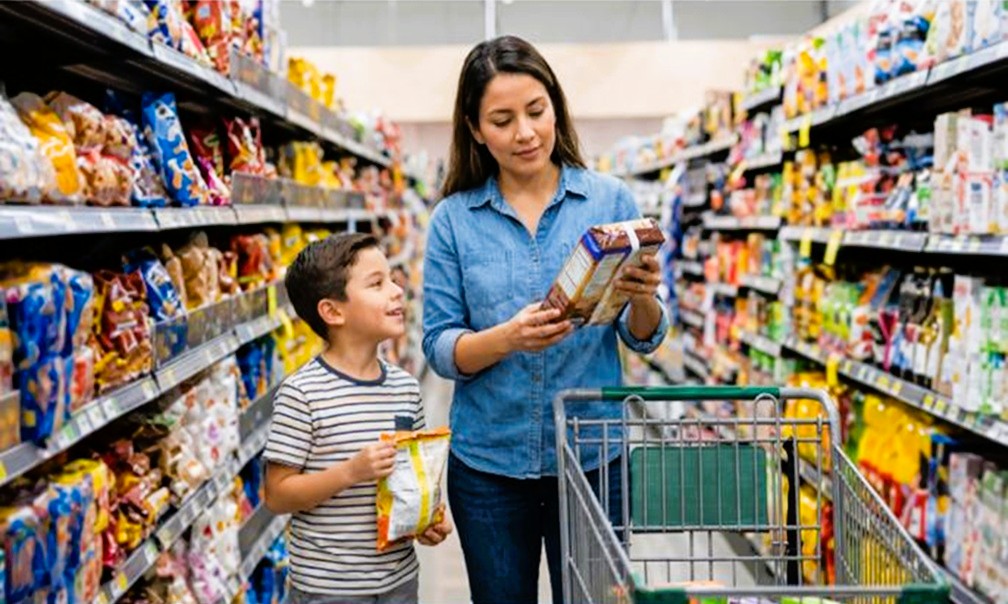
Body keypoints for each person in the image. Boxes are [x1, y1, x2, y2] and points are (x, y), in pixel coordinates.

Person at [422, 35, 668, 604]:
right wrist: (505, 339)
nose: (525, 133)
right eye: (502, 120)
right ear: (476, 129)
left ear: (555, 105)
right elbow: (438, 345)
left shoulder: (610, 201)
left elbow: (647, 335)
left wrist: (642, 296)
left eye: (536, 111)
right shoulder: (453, 220)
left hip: (593, 459)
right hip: (488, 465)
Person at [263, 233, 453, 604]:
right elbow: (277, 493)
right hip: (328, 590)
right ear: (333, 312)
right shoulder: (302, 394)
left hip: (398, 582)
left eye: (393, 278)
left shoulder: (404, 387)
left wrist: (427, 518)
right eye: (377, 283)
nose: (397, 290)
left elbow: (408, 478)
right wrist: (350, 472)